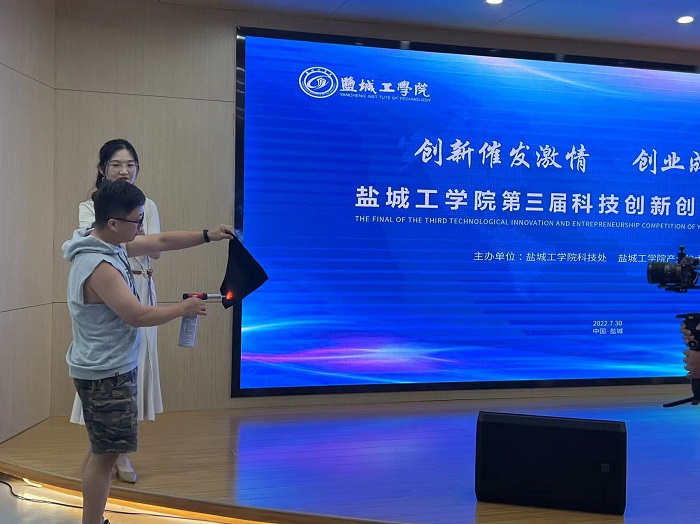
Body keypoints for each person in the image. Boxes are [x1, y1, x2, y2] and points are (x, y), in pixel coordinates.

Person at [63, 180, 234, 524]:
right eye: (137, 221)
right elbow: (137, 315)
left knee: (101, 450)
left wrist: (209, 235)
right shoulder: (100, 265)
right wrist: (182, 309)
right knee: (105, 457)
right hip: (107, 375)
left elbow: (162, 241)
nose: (142, 228)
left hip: (105, 369)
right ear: (114, 223)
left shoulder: (105, 242)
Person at [70, 139, 161, 483]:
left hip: (142, 284)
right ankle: (109, 452)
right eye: (116, 164)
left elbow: (156, 249)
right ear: (103, 169)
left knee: (134, 371)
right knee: (109, 372)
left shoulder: (147, 203)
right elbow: (114, 240)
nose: (124, 171)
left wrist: (138, 235)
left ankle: (117, 449)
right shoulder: (90, 205)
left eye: (131, 165)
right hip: (110, 286)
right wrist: (137, 236)